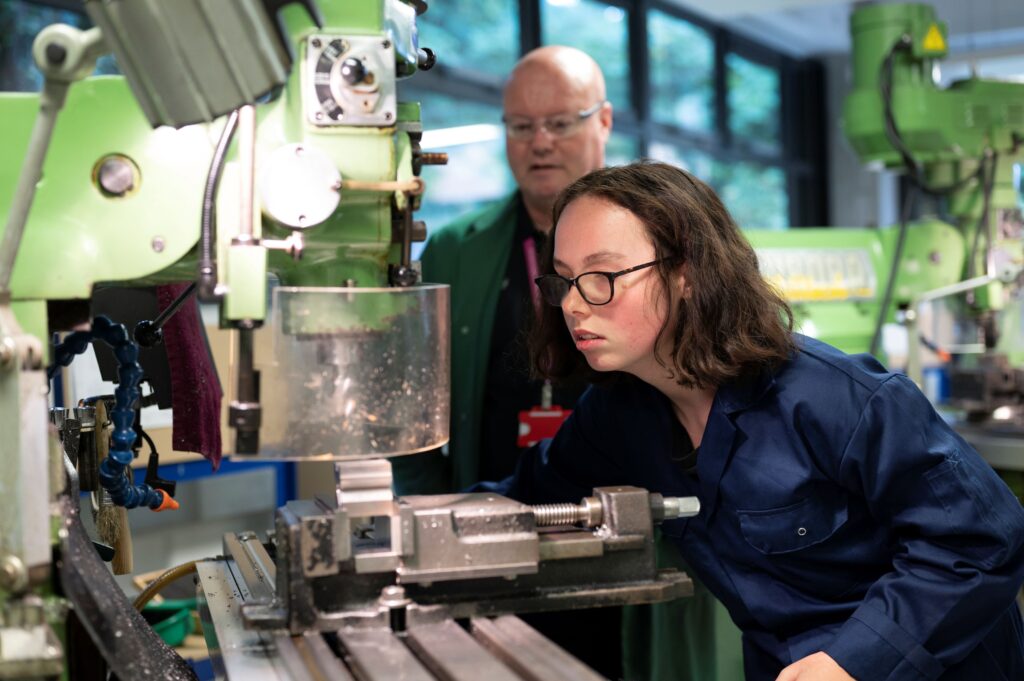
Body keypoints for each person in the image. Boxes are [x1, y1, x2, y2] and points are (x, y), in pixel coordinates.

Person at [481, 160, 1024, 680]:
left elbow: (980, 540)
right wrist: (420, 519)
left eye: (600, 276)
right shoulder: (622, 414)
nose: (574, 305)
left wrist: (858, 661)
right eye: (564, 280)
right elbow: (532, 494)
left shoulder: (837, 399)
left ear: (685, 273)